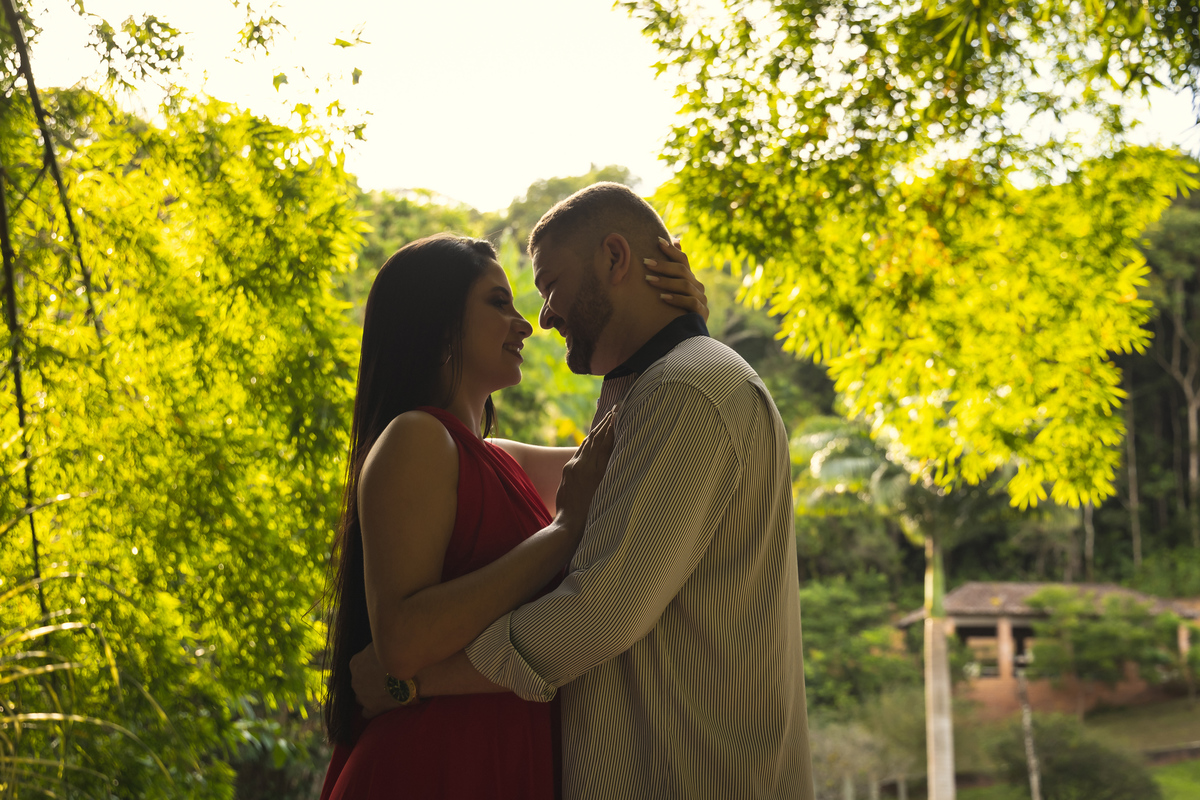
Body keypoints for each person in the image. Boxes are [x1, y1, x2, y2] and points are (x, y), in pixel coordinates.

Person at [353, 184, 816, 799]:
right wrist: (679, 331)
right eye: (504, 301)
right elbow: (611, 470)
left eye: (547, 287)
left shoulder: (686, 390)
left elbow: (599, 610)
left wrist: (410, 681)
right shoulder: (668, 392)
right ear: (439, 326)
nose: (537, 319)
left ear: (615, 260)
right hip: (457, 761)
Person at [320, 232, 707, 799]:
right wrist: (561, 535)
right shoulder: (416, 438)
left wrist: (682, 327)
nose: (525, 324)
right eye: (498, 303)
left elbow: (640, 446)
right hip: (431, 767)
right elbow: (400, 642)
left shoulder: (497, 459)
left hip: (499, 761)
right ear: (438, 321)